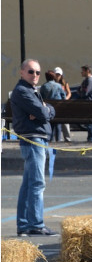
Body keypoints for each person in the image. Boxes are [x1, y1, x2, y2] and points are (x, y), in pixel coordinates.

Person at [10, 59, 59, 237]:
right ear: (22, 72)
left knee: (28, 185)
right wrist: (43, 111)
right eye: (31, 72)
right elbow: (43, 113)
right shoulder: (23, 91)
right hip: (33, 140)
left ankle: (24, 226)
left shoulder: (31, 91)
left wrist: (44, 110)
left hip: (36, 138)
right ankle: (36, 225)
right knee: (37, 183)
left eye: (38, 72)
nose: (35, 75)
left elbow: (47, 111)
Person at [39, 70, 65, 142]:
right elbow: (64, 96)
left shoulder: (43, 86)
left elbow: (41, 99)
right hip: (58, 110)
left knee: (50, 124)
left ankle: (51, 140)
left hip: (49, 110)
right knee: (58, 124)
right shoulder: (58, 86)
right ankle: (58, 139)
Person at [78, 65, 92, 142]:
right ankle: (90, 138)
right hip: (87, 104)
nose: (81, 72)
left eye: (83, 71)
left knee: (89, 123)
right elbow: (80, 90)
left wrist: (81, 91)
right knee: (88, 123)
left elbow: (84, 93)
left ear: (87, 71)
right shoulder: (86, 80)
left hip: (89, 104)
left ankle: (91, 139)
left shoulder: (90, 81)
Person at [54, 67, 72, 142]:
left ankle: (67, 138)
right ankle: (58, 138)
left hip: (63, 105)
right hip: (55, 105)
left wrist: (66, 99)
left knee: (65, 123)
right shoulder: (53, 83)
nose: (58, 76)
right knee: (57, 123)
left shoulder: (64, 83)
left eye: (59, 75)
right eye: (56, 74)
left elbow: (69, 93)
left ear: (61, 75)